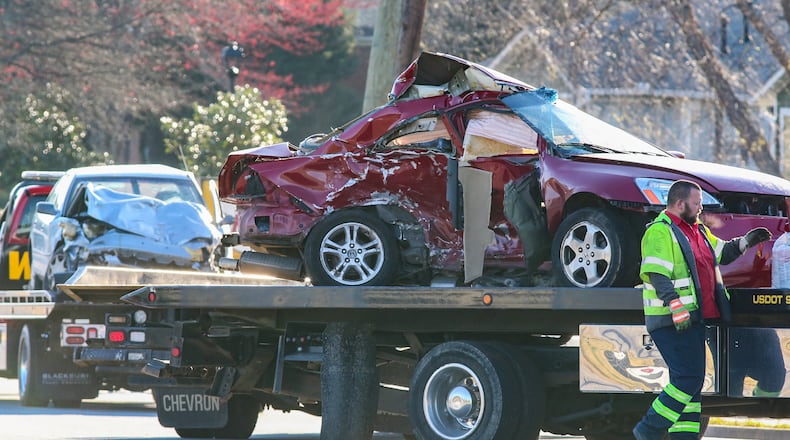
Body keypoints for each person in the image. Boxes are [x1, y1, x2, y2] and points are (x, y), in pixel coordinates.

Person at [632, 180, 772, 440]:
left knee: (693, 386)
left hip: (694, 318)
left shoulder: (698, 231)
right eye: (696, 203)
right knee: (687, 379)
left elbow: (724, 252)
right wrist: (675, 305)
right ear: (679, 203)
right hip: (671, 320)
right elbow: (655, 273)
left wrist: (747, 242)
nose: (700, 208)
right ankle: (647, 430)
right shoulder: (660, 232)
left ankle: (683, 437)